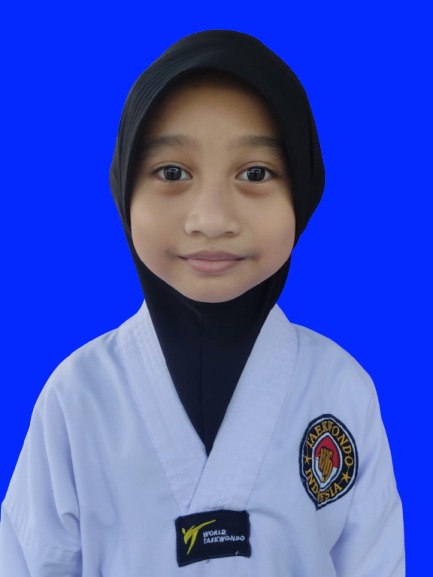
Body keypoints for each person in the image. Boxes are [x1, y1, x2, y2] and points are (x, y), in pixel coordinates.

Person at [0, 30, 405, 575]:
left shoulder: (341, 390)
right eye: (172, 173)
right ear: (124, 188)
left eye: (255, 174)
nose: (212, 219)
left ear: (303, 190)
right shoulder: (77, 399)